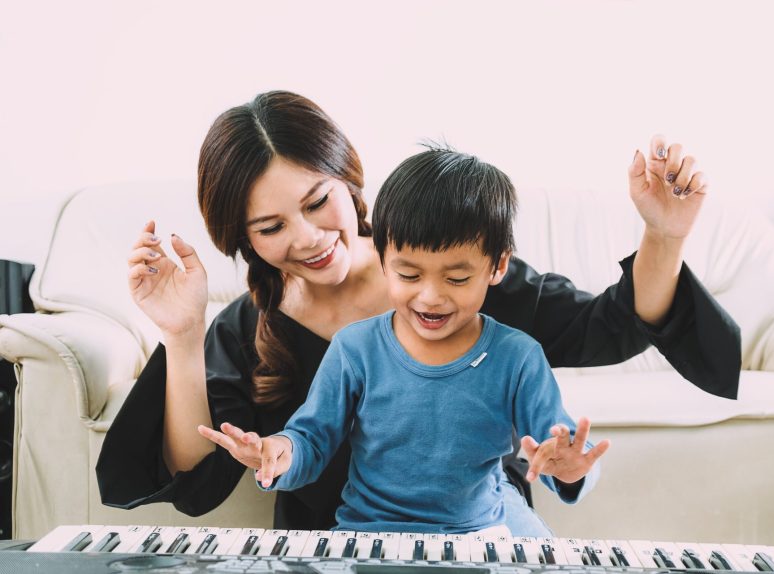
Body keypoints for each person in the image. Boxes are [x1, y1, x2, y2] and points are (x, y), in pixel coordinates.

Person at [96, 90, 740, 535]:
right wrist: (183, 335)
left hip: (476, 532)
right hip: (341, 542)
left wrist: (664, 235)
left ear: (348, 179)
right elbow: (196, 479)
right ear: (242, 238)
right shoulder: (250, 327)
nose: (308, 238)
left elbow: (610, 326)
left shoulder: (455, 269)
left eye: (318, 202)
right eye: (271, 226)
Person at [200, 147, 612, 535]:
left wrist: (572, 468)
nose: (430, 297)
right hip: (368, 531)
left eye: (457, 278)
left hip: (481, 530)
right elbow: (311, 438)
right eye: (409, 275)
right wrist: (279, 452)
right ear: (382, 259)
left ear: (497, 266)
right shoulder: (354, 349)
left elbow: (556, 443)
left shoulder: (519, 357)